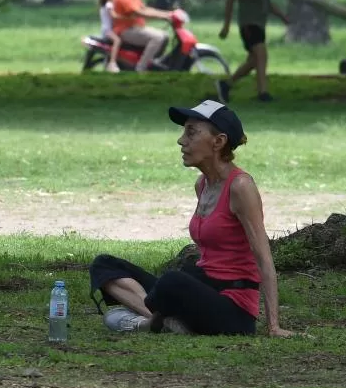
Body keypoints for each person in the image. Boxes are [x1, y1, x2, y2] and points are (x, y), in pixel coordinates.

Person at [89, 100, 294, 338]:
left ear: (218, 142)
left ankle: (149, 321)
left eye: (191, 133)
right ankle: (163, 319)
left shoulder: (241, 187)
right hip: (201, 288)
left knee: (172, 282)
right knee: (105, 265)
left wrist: (273, 327)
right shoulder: (202, 184)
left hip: (232, 309)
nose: (181, 140)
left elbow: (264, 258)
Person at [216, 0, 289, 103]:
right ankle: (263, 93)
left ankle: (226, 85)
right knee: (261, 53)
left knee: (254, 61)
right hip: (248, 25)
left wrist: (283, 16)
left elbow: (267, 3)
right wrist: (226, 26)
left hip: (260, 25)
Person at [111, 0, 175, 72]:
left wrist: (167, 14)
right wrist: (162, 17)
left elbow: (144, 9)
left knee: (164, 36)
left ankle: (154, 64)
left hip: (135, 29)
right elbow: (138, 13)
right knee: (157, 37)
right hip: (126, 31)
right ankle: (141, 69)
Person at [97, 0, 123, 73]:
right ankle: (112, 62)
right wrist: (126, 17)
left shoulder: (102, 5)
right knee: (117, 41)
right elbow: (114, 16)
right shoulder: (109, 4)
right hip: (108, 30)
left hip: (105, 29)